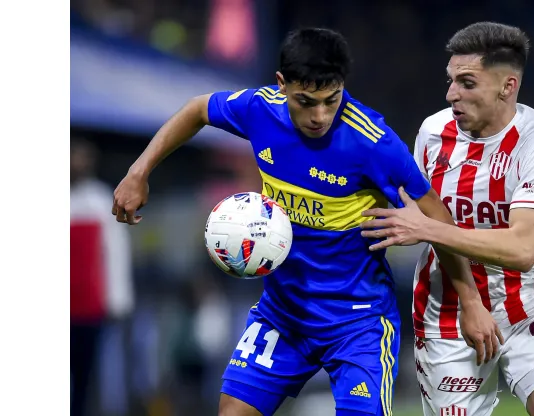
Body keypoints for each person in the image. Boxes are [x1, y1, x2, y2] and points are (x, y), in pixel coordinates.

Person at [110, 28, 500, 416]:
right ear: (282, 85)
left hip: (357, 321)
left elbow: (438, 215)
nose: (320, 116)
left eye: (331, 100)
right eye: (306, 101)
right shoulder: (259, 110)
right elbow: (197, 108)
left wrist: (469, 300)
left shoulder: (373, 142)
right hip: (282, 314)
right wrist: (138, 171)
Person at [360, 22, 534, 416]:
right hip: (446, 309)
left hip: (529, 307)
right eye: (450, 81)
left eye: (467, 83)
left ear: (508, 86)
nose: (452, 95)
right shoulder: (433, 133)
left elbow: (520, 249)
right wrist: (469, 298)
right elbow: (424, 214)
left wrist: (426, 227)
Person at [71, 138, 135, 416]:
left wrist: (118, 300)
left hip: (88, 305)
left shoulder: (100, 200)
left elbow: (116, 253)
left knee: (85, 373)